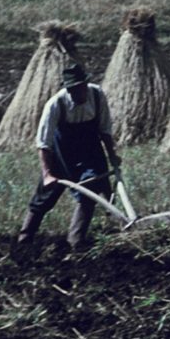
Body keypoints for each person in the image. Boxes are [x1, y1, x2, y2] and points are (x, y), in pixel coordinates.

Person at [16, 62, 122, 250]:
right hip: (62, 154)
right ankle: (24, 239)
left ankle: (76, 241)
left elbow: (105, 129)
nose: (77, 93)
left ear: (86, 85)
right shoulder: (56, 104)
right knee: (45, 197)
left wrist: (112, 155)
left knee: (90, 189)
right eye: (72, 90)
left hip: (90, 150)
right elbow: (43, 143)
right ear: (67, 89)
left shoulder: (97, 95)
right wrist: (48, 173)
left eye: (80, 88)